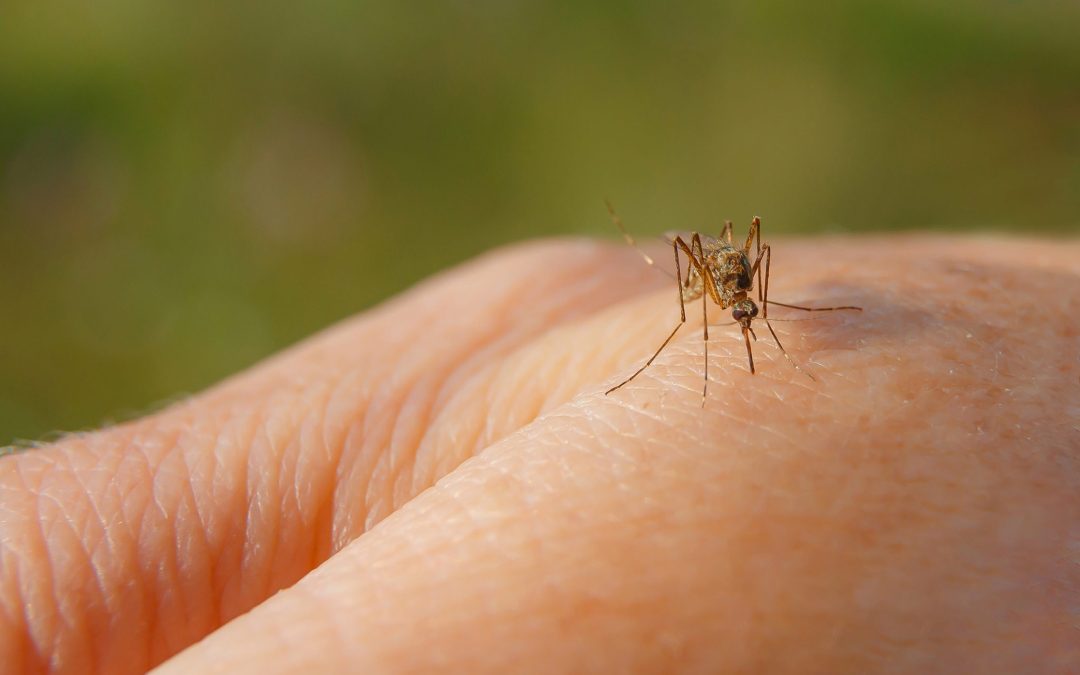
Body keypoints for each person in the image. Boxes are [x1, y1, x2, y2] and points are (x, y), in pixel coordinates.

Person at [1, 236, 1076, 674]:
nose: (737, 304)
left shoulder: (750, 285)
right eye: (737, 298)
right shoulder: (704, 289)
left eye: (741, 297)